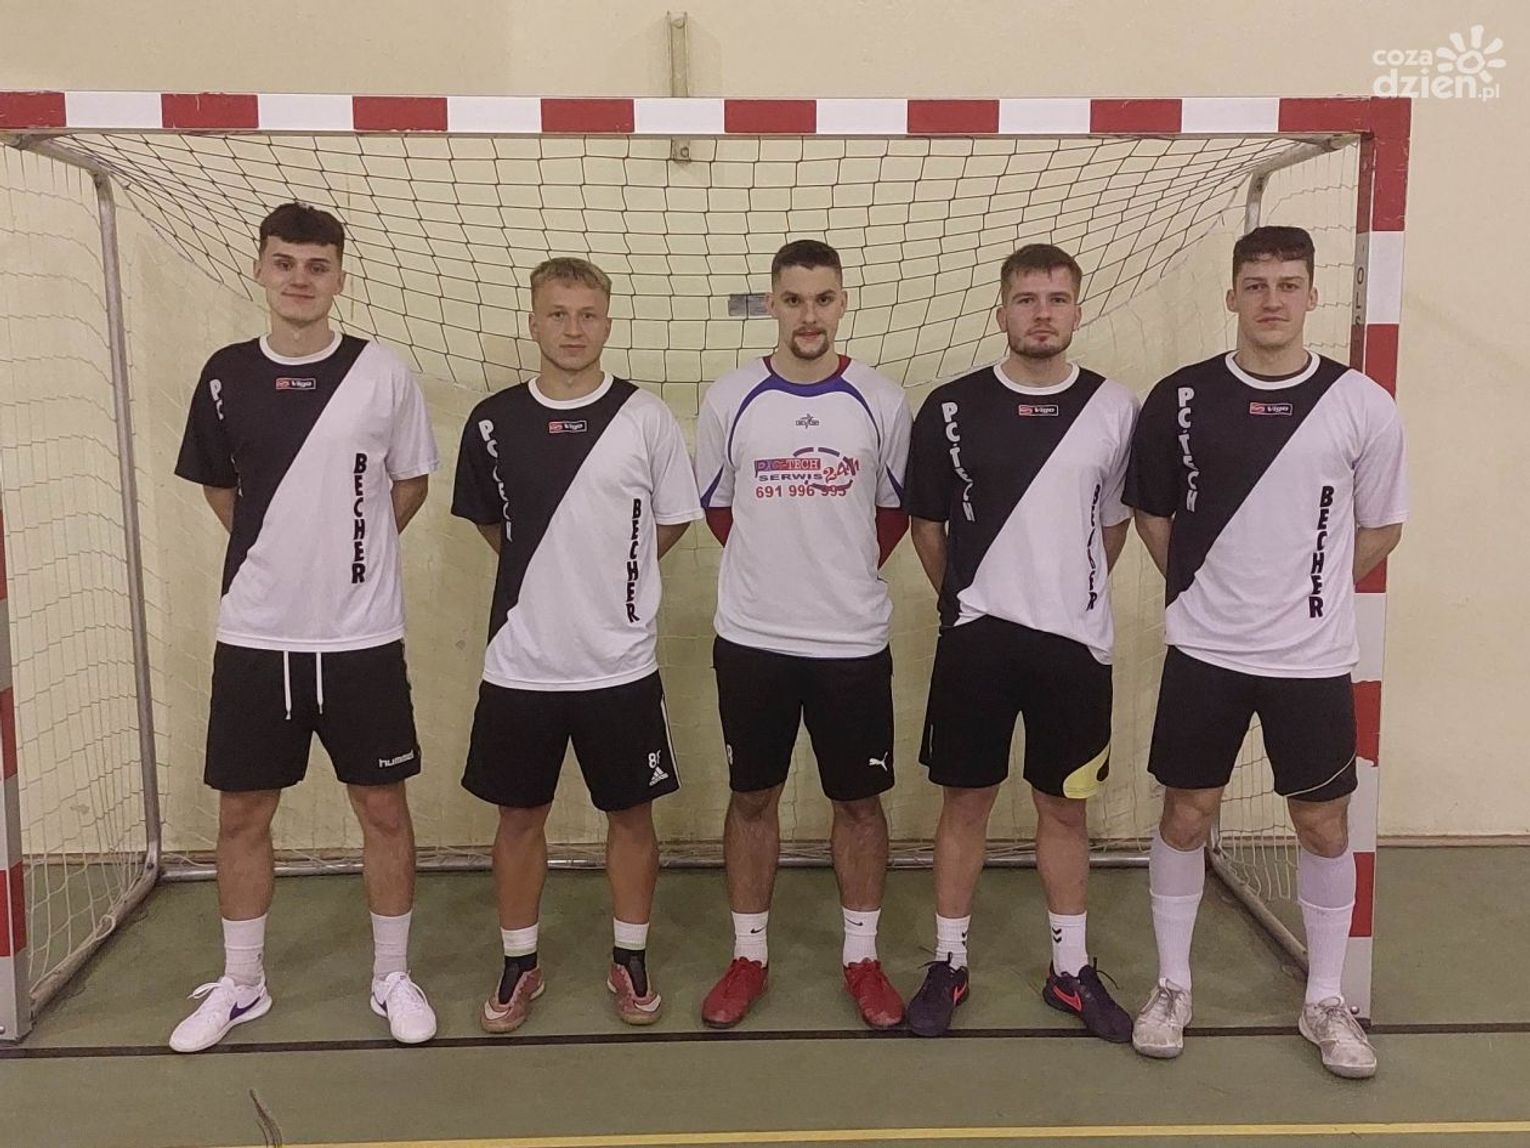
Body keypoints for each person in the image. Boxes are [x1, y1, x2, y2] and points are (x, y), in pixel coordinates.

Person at [1125, 225, 1407, 1078]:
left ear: (1313, 295)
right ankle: (1173, 986)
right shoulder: (1180, 397)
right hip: (1205, 651)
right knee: (1187, 814)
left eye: (1288, 284)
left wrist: (1305, 596)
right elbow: (1152, 513)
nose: (1272, 300)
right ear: (1233, 295)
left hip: (1311, 660)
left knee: (1322, 823)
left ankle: (1325, 999)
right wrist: (1202, 589)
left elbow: (1381, 526)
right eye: (1256, 284)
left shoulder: (1361, 404)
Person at [169, 202, 439, 1053]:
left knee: (383, 809)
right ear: (260, 268)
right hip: (257, 636)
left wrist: (349, 559)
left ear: (339, 277)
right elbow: (220, 489)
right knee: (243, 813)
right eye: (284, 262)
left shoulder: (382, 372)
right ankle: (242, 984)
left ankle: (391, 976)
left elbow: (409, 483)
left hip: (361, 640)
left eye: (316, 266)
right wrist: (280, 553)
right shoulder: (225, 373)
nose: (299, 279)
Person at [452, 257, 702, 1033]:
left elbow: (672, 518)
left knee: (631, 816)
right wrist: (546, 575)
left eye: (587, 314)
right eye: (557, 314)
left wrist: (611, 583)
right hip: (521, 664)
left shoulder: (646, 417)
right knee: (519, 818)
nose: (572, 329)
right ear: (533, 322)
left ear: (607, 323)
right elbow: (493, 524)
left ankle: (630, 958)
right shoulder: (492, 421)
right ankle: (518, 963)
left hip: (618, 665)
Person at [902, 243, 1138, 1040]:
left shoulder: (1115, 408)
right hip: (977, 641)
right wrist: (973, 600)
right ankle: (948, 963)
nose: (1042, 313)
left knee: (1063, 810)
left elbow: (1114, 526)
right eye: (1027, 299)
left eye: (1057, 299)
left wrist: (1066, 594)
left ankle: (1070, 971)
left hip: (1074, 649)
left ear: (1077, 311)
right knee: (965, 803)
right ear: (1000, 310)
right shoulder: (951, 407)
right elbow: (926, 526)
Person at [693, 239, 912, 1030]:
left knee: (858, 801)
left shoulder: (881, 401)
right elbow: (720, 509)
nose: (808, 316)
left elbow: (892, 514)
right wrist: (778, 570)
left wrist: (836, 571)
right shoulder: (730, 397)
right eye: (793, 300)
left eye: (822, 299)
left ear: (842, 302)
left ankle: (863, 959)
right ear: (773, 305)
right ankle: (748, 956)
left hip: (850, 641)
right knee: (753, 797)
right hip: (753, 637)